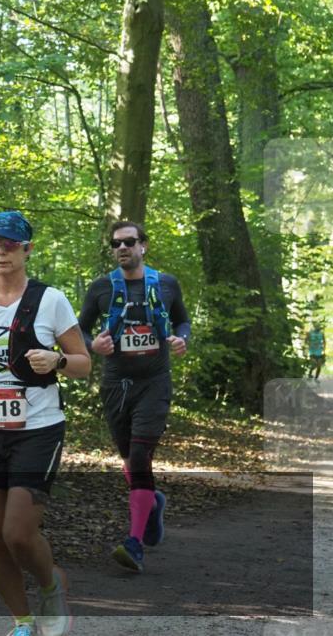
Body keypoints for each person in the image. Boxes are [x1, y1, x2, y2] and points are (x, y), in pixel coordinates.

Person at [0, 210, 90, 636]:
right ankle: (22, 621)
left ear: (27, 249)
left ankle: (50, 585)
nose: (1, 253)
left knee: (18, 533)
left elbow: (84, 365)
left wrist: (57, 360)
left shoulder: (50, 300)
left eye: (10, 245)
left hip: (38, 428)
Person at [78, 220, 191, 573]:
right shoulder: (100, 288)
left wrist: (181, 339)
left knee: (140, 454)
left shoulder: (166, 284)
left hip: (155, 382)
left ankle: (134, 542)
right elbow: (79, 330)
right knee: (130, 458)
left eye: (129, 242)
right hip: (116, 384)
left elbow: (182, 321)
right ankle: (153, 504)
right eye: (116, 244)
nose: (122, 248)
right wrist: (91, 345)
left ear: (144, 245)